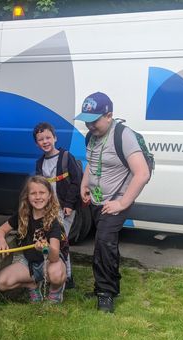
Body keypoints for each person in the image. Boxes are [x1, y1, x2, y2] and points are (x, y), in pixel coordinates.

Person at [76, 92, 150, 313]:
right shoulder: (92, 136)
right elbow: (91, 162)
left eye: (95, 120)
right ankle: (109, 283)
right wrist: (84, 184)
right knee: (107, 244)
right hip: (98, 200)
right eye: (87, 121)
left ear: (109, 115)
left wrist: (122, 203)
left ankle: (105, 293)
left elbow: (142, 173)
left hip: (116, 200)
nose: (90, 126)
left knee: (103, 241)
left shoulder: (123, 135)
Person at [0, 176, 68, 303]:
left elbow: (54, 256)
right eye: (33, 193)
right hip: (29, 264)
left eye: (42, 193)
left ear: (49, 195)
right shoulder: (22, 215)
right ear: (27, 196)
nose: (38, 197)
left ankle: (56, 291)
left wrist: (46, 248)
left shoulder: (53, 221)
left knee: (56, 274)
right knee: (1, 282)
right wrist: (1, 241)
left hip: (49, 263)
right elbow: (0, 230)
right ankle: (32, 285)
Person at [33, 122, 81, 288]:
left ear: (55, 138)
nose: (45, 141)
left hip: (64, 208)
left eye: (48, 137)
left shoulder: (66, 157)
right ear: (37, 143)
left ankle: (67, 278)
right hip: (49, 209)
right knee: (55, 241)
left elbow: (76, 182)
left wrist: (69, 204)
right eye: (40, 139)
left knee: (61, 241)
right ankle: (55, 273)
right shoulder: (39, 163)